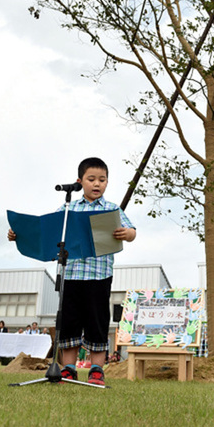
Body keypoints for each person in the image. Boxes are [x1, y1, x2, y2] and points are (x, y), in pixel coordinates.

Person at [8, 157, 136, 386]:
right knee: (70, 322)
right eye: (91, 179)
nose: (97, 184)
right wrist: (19, 234)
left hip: (99, 276)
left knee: (97, 322)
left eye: (102, 180)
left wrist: (127, 234)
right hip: (71, 276)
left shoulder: (111, 208)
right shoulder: (69, 208)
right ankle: (68, 369)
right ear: (80, 181)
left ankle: (97, 370)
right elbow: (48, 231)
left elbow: (131, 231)